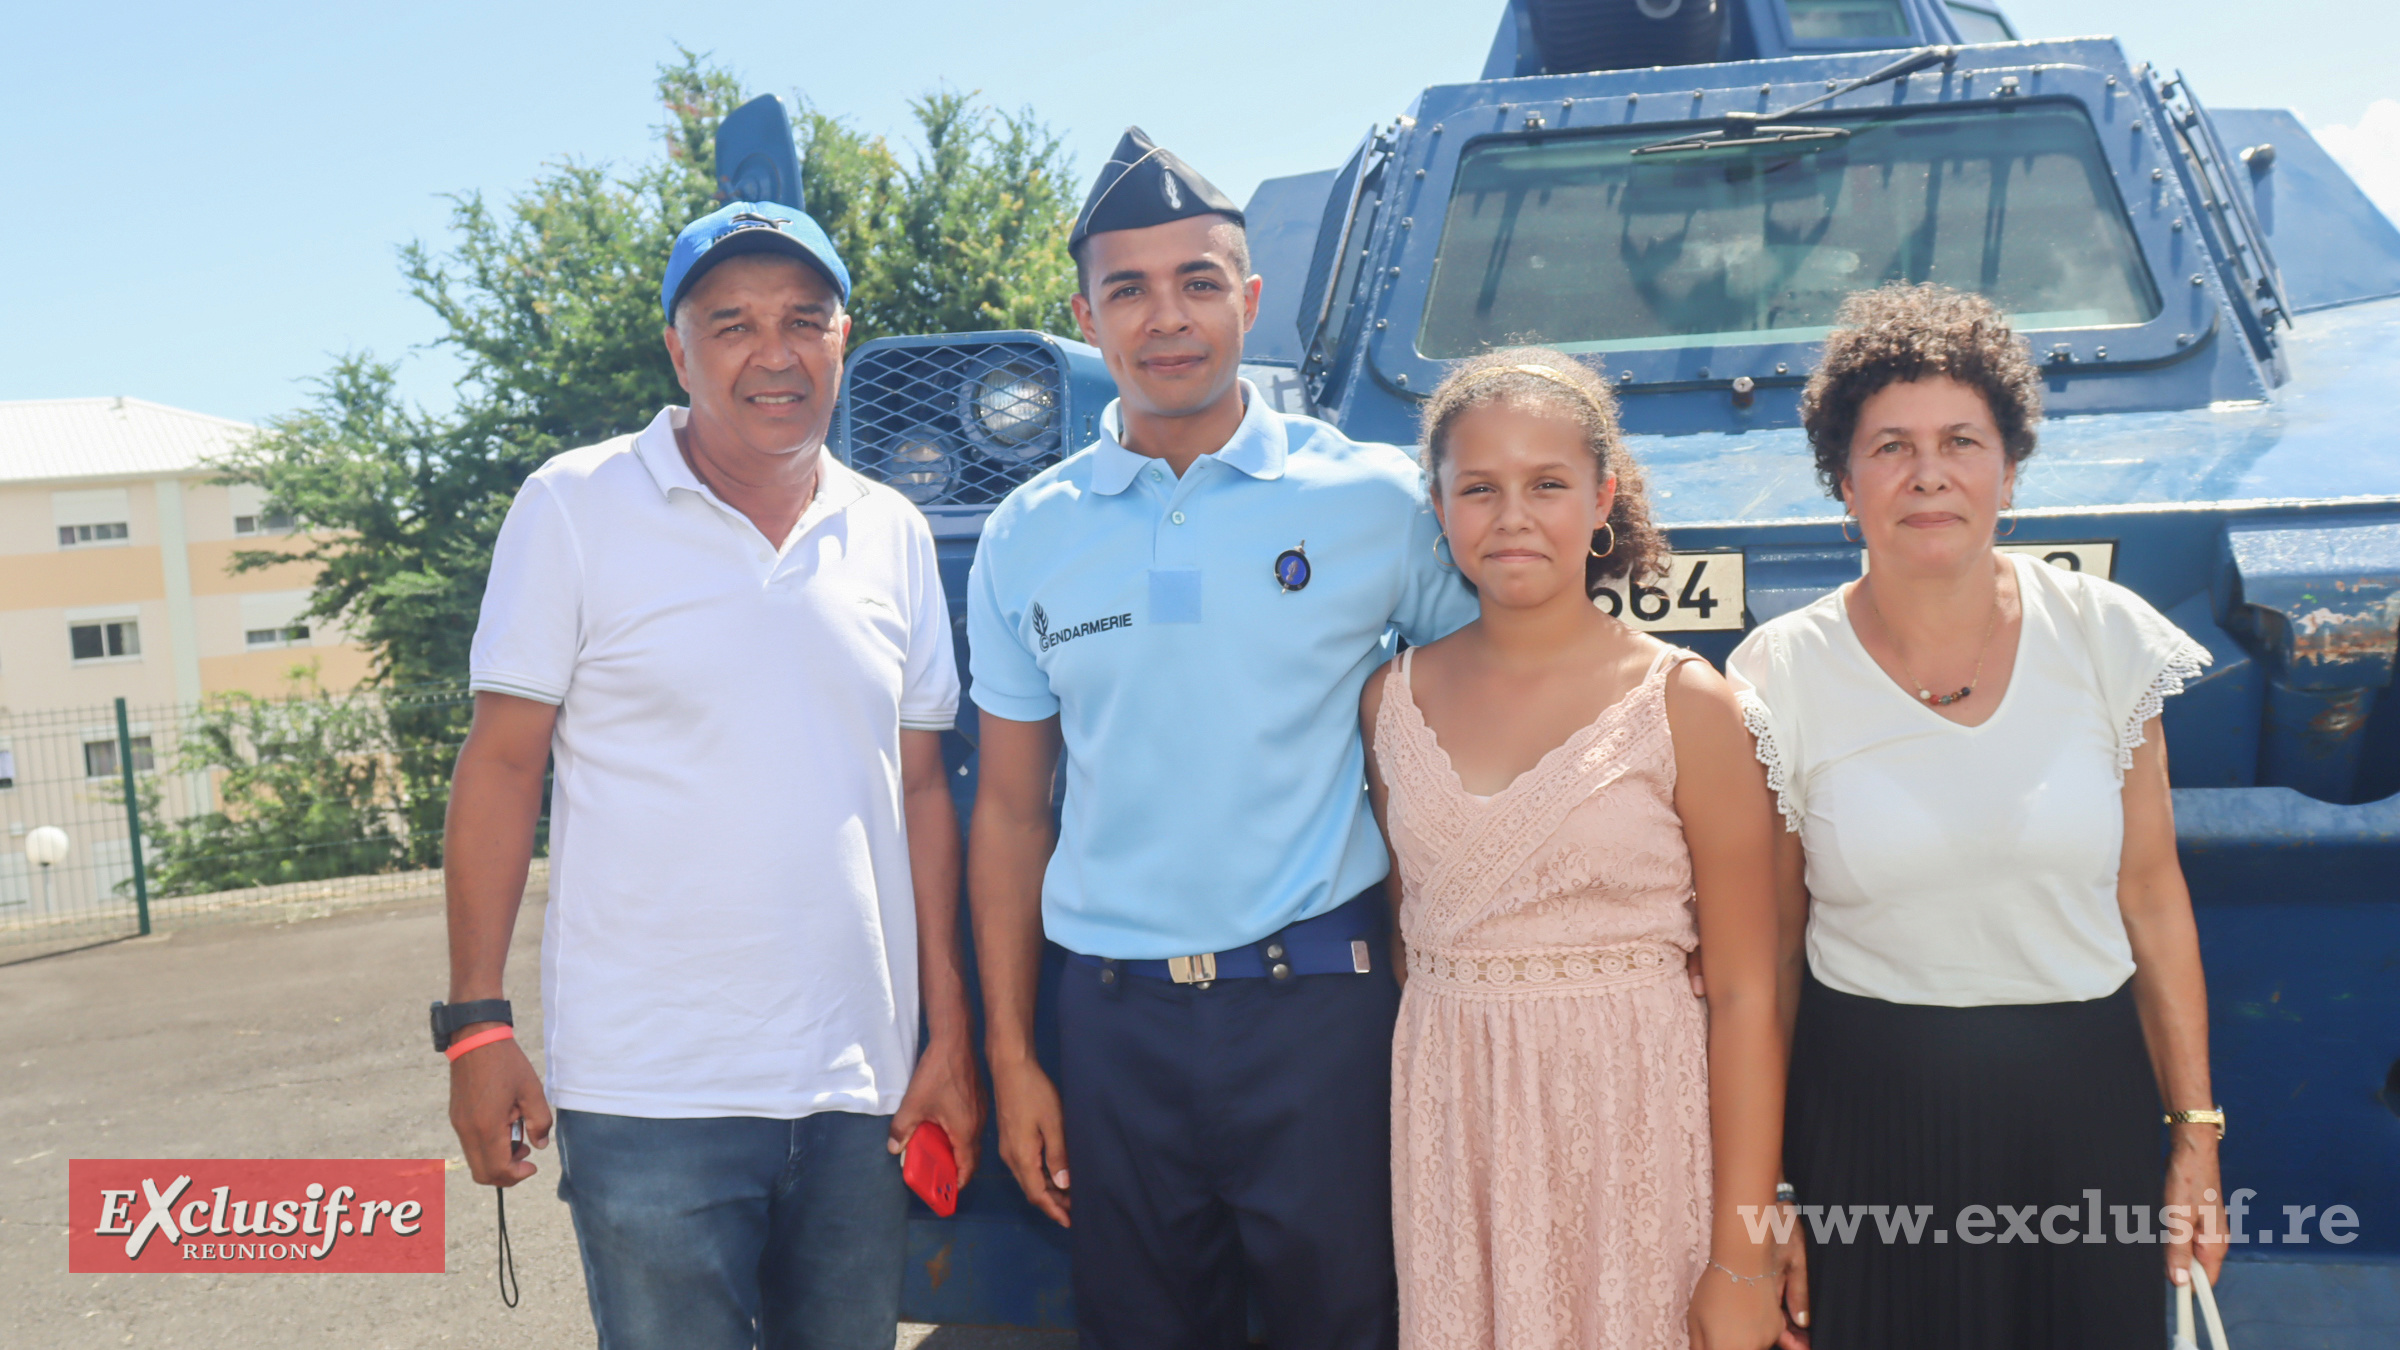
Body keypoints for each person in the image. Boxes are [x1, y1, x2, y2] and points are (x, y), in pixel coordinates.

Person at [965, 128, 1478, 1350]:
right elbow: (1010, 813)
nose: (1168, 317)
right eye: (1129, 289)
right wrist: (1013, 1057)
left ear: (1248, 300)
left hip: (1323, 1018)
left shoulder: (1373, 501)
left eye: (1199, 282)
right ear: (1088, 318)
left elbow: (1488, 714)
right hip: (1111, 1028)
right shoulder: (1026, 537)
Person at [437, 200, 982, 1350]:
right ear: (678, 350)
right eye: (731, 324)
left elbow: (921, 791)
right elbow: (498, 767)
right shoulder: (574, 507)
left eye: (805, 319)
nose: (773, 352)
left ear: (845, 340)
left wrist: (945, 1037)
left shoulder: (890, 529)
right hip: (650, 1095)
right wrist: (477, 1029)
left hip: (856, 1088)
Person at [1728, 283, 2226, 1349]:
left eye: (1962, 440)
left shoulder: (2105, 639)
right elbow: (1766, 954)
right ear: (1843, 479)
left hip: (2084, 1114)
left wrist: (2195, 1134)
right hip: (1867, 1121)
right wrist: (1768, 1191)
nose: (1929, 473)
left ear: (2009, 468)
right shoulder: (1781, 674)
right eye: (1891, 446)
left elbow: (2151, 895)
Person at [1361, 349, 1790, 1350]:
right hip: (1458, 1133)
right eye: (1480, 487)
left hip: (1635, 1131)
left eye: (1548, 484)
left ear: (1603, 500)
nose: (1513, 516)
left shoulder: (1685, 702)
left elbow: (1744, 994)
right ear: (1439, 509)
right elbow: (1402, 939)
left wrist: (1743, 1255)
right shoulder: (1388, 704)